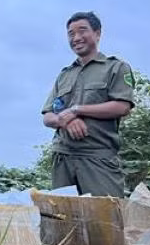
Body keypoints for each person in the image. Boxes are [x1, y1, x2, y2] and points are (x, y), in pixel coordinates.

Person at [41, 11, 135, 197]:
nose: (76, 38)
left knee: (106, 218)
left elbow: (122, 106)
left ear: (97, 33)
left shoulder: (115, 67)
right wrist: (65, 120)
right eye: (71, 33)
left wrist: (77, 110)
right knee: (62, 218)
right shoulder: (65, 74)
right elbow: (47, 115)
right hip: (63, 158)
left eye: (82, 31)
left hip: (98, 157)